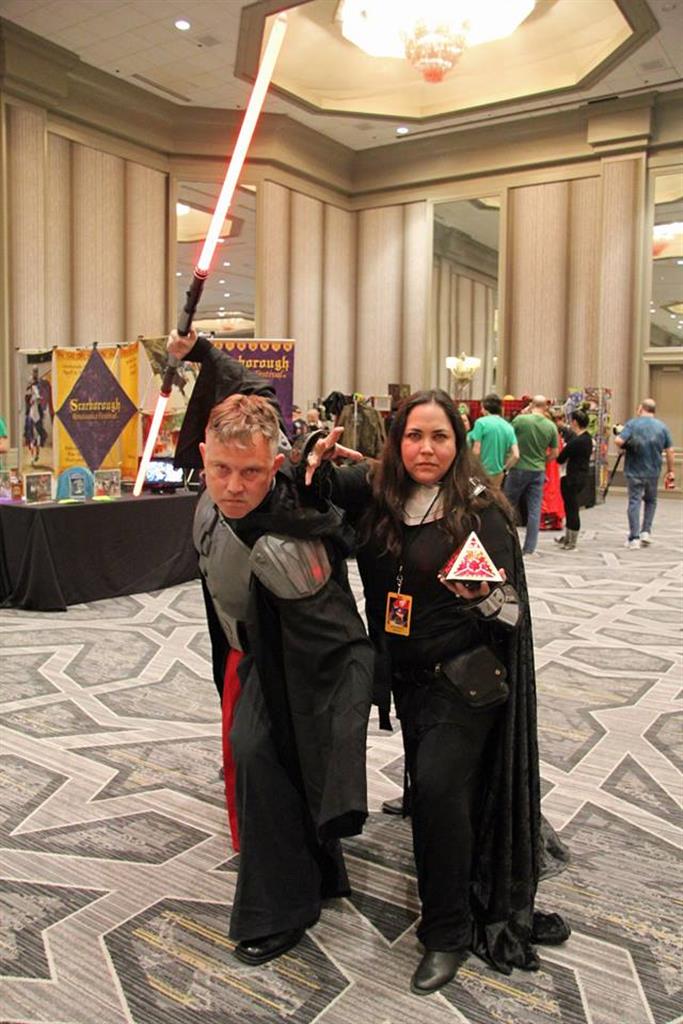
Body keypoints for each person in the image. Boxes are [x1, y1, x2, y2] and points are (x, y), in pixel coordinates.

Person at [305, 389, 569, 995]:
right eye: (414, 436)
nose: (426, 449)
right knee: (436, 793)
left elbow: (512, 616)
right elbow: (313, 490)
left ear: (460, 443)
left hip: (464, 682)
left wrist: (483, 598)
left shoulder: (479, 510)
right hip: (407, 680)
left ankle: (447, 932)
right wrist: (314, 455)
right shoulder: (380, 491)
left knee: (438, 793)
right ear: (397, 441)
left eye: (440, 437)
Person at [168, 329, 374, 967]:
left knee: (264, 756)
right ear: (204, 455)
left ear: (276, 463)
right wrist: (203, 352)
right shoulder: (213, 498)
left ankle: (280, 908)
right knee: (261, 761)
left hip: (308, 665)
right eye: (221, 469)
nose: (233, 486)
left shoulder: (295, 524)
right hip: (249, 655)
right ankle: (315, 876)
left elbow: (336, 635)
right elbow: (249, 386)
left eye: (252, 472)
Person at [615, 398, 675, 548]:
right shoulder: (662, 427)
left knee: (634, 501)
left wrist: (628, 445)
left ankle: (634, 537)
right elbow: (670, 450)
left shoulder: (633, 424)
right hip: (653, 470)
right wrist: (670, 470)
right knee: (651, 501)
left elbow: (618, 441)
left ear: (641, 408)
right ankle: (646, 532)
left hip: (634, 470)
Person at [504, 395, 559, 556]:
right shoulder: (550, 426)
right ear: (545, 407)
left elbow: (509, 439)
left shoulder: (521, 421)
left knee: (507, 506)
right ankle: (529, 547)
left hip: (518, 467)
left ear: (531, 405)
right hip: (538, 470)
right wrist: (543, 460)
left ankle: (506, 541)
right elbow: (554, 452)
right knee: (534, 510)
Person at [555, 409, 593, 550]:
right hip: (582, 476)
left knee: (571, 508)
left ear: (575, 422)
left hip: (572, 478)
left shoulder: (576, 441)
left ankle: (571, 540)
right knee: (571, 507)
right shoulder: (588, 439)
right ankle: (568, 537)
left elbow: (560, 458)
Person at [469, 393, 519, 488]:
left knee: (478, 495)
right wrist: (504, 469)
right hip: (498, 474)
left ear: (485, 408)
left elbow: (476, 451)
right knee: (494, 495)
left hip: (481, 472)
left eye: (482, 408)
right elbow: (516, 455)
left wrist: (474, 469)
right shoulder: (508, 427)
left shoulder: (481, 423)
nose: (481, 411)